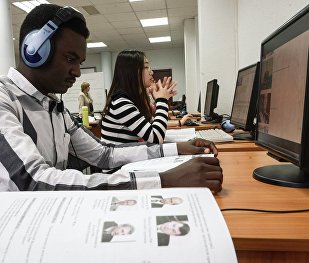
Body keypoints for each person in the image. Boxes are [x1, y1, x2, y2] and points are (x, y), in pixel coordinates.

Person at [0, 3, 223, 193]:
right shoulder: (5, 99)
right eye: (70, 59)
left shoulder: (53, 107)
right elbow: (33, 181)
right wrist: (163, 180)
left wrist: (178, 148)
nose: (78, 72)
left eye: (79, 62)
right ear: (34, 50)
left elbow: (104, 154)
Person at [101, 49, 177, 144]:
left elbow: (153, 126)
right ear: (131, 72)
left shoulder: (133, 100)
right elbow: (156, 138)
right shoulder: (121, 102)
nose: (151, 72)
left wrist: (161, 99)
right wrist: (162, 100)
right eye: (146, 67)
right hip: (120, 158)